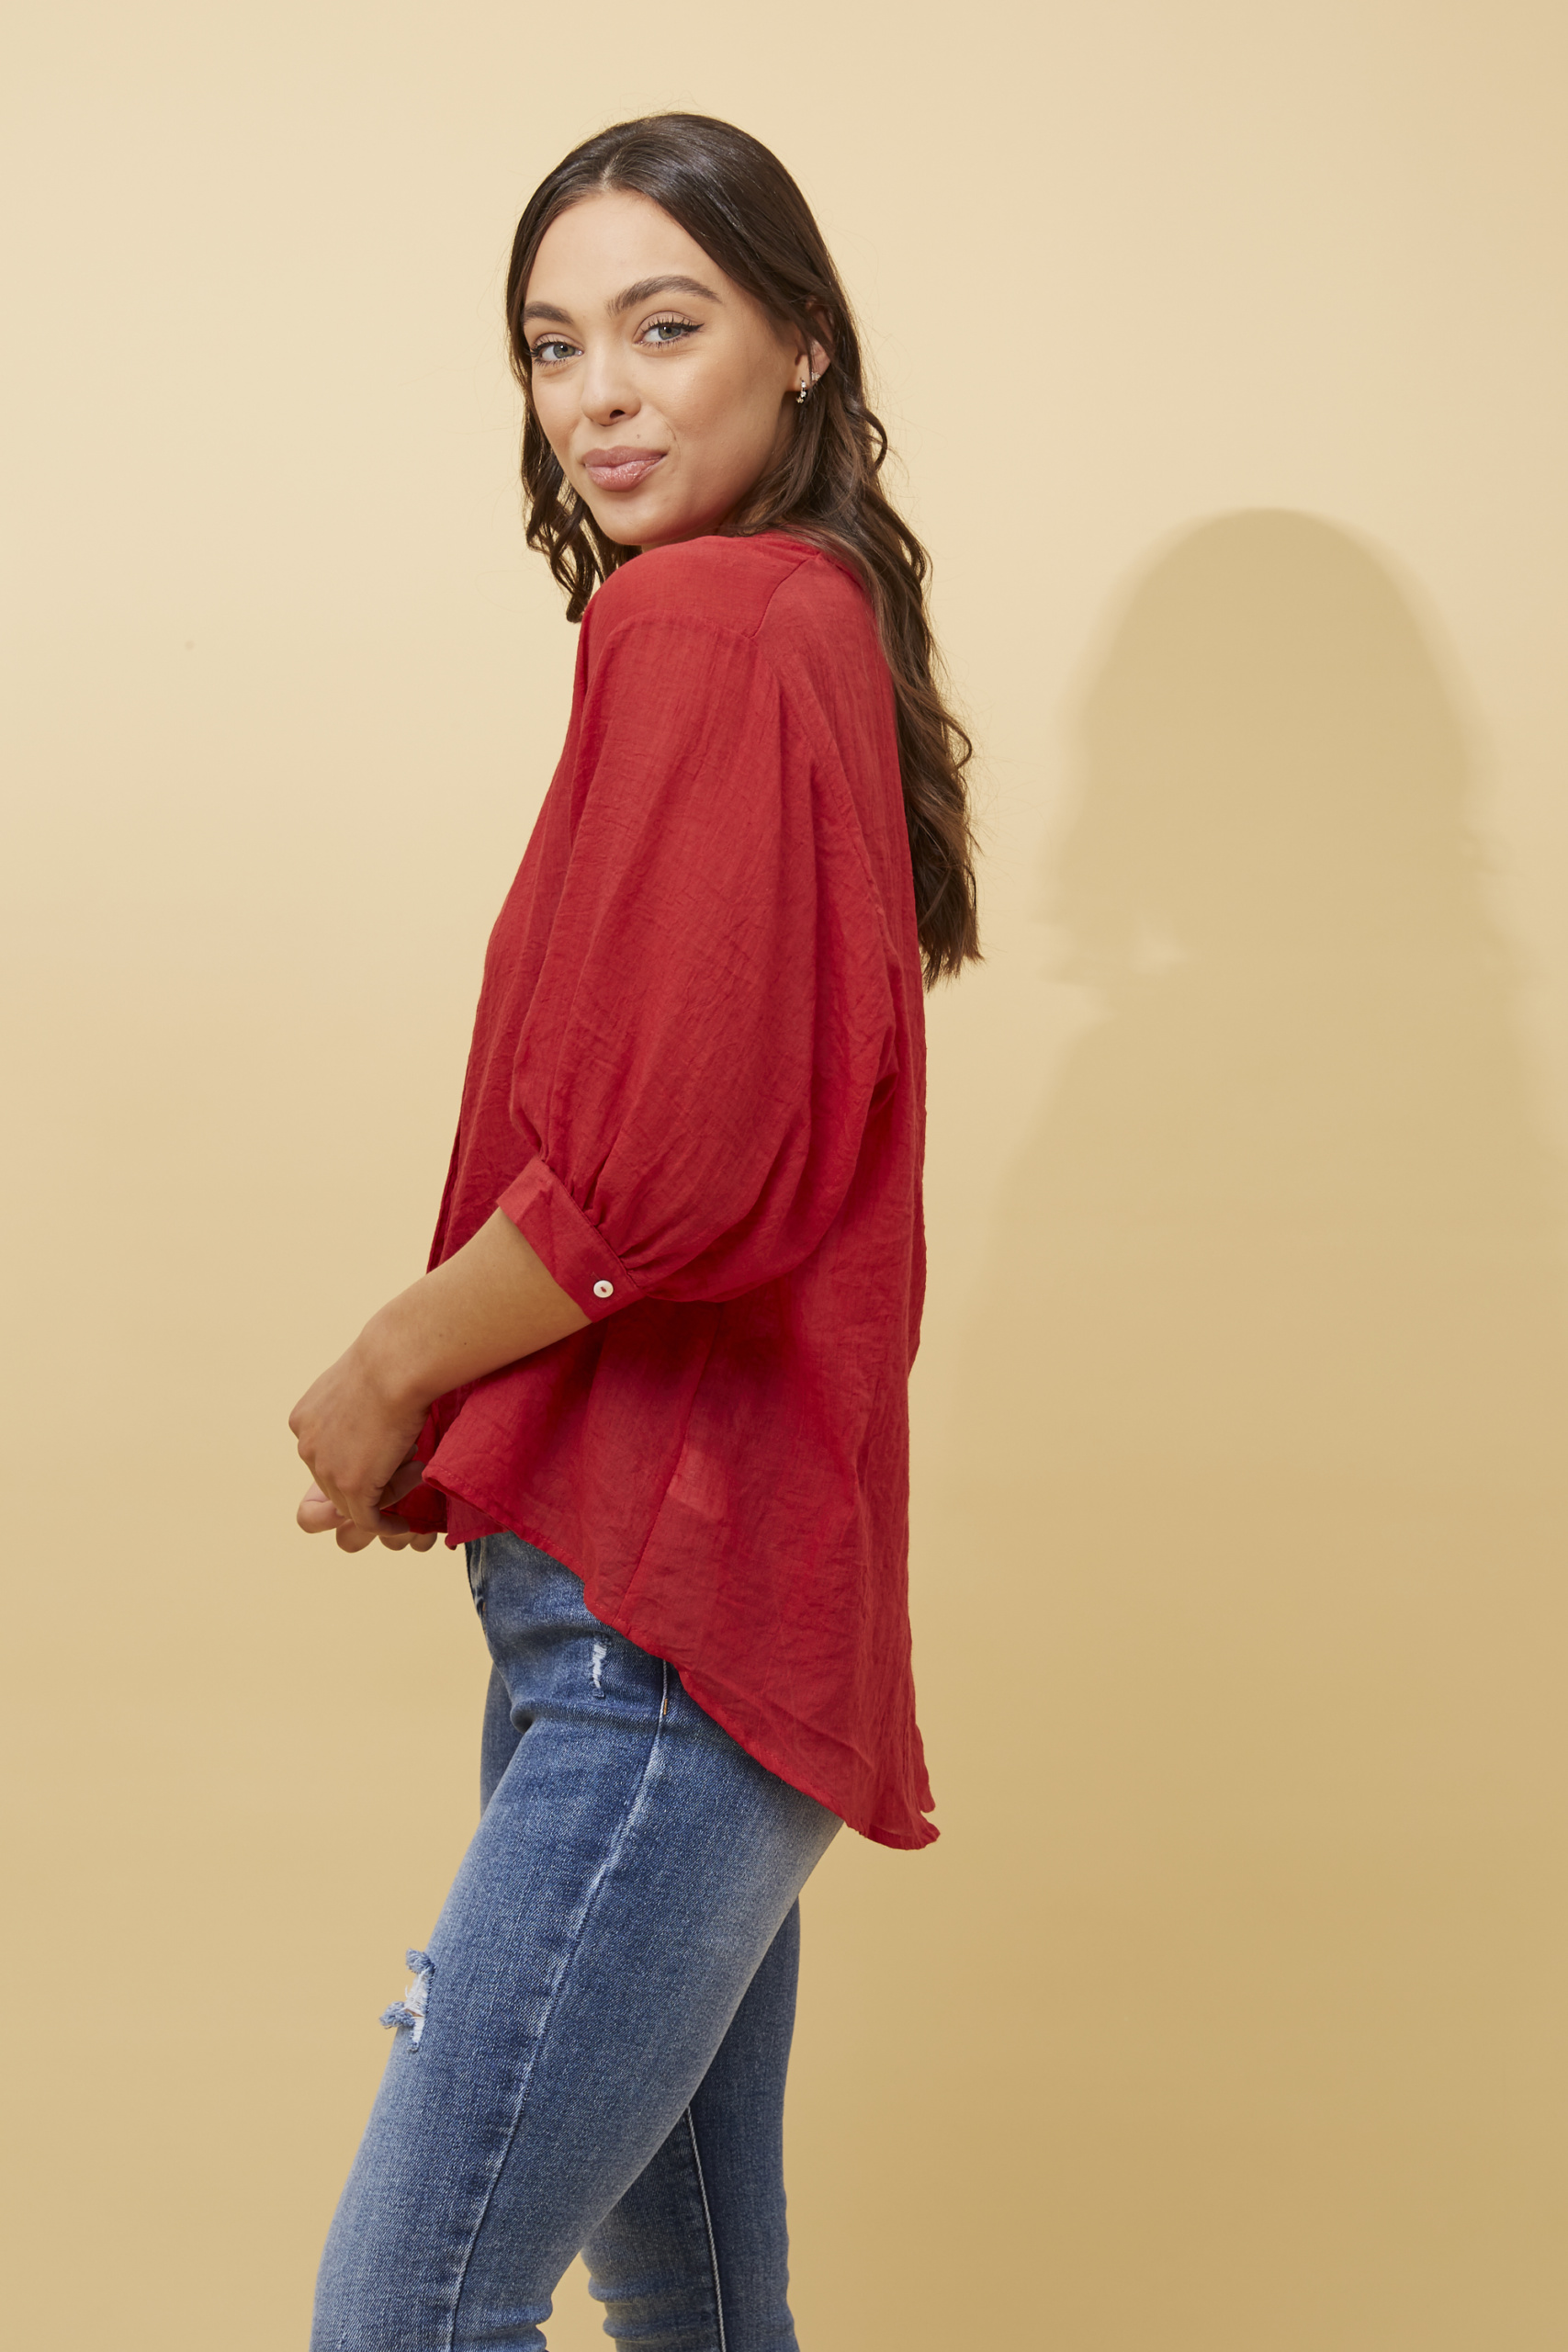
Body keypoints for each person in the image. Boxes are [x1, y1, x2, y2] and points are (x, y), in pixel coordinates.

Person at [291, 112, 979, 2352]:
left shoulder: (702, 618)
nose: (598, 395)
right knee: (694, 2308)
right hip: (689, 1611)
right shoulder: (809, 620)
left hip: (655, 1631)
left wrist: (392, 1362)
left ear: (798, 343)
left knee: (407, 2311)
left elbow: (669, 1174)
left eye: (662, 328)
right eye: (550, 344)